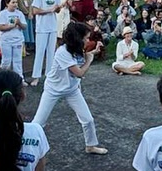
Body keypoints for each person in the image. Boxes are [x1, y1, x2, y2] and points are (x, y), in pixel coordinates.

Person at [32, 21, 108, 155]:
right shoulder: (63, 52)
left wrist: (93, 52)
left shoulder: (78, 48)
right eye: (86, 38)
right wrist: (90, 60)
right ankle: (26, 145)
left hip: (72, 89)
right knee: (39, 122)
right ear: (78, 39)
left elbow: (82, 59)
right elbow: (79, 73)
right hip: (53, 89)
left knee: (88, 119)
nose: (88, 40)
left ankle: (90, 146)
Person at [30, 0, 62, 86]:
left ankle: (50, 76)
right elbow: (35, 11)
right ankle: (36, 77)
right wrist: (49, 10)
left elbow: (57, 10)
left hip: (52, 26)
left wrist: (57, 8)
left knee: (51, 53)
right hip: (41, 28)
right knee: (40, 52)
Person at [0, 0, 27, 77]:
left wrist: (19, 23)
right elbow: (0, 27)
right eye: (13, 2)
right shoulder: (3, 13)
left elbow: (24, 27)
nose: (15, 4)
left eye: (16, 2)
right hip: (6, 41)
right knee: (6, 61)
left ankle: (19, 79)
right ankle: (1, 78)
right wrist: (11, 26)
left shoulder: (19, 13)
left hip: (17, 40)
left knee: (17, 61)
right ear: (7, 4)